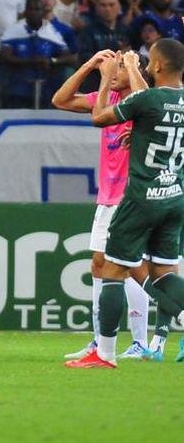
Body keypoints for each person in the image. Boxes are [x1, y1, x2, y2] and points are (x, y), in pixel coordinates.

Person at [63, 44, 184, 367]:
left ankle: (105, 352)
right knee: (162, 274)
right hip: (173, 196)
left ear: (155, 66)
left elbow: (100, 117)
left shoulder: (146, 99)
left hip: (140, 197)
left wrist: (111, 75)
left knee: (114, 269)